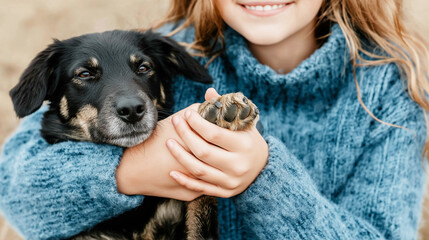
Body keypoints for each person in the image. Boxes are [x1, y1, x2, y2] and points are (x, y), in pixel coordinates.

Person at [1, 0, 428, 239]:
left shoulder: (389, 91)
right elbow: (13, 189)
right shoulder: (171, 50)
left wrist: (263, 177)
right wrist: (126, 170)